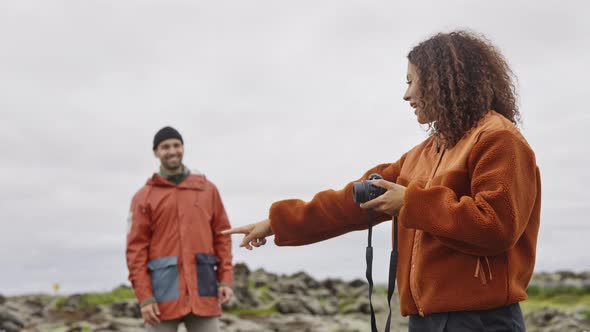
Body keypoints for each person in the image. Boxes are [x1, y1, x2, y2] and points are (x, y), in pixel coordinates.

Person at [223, 31, 541, 331]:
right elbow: (348, 204)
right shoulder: (421, 155)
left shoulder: (498, 139)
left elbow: (497, 225)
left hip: (481, 321)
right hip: (425, 320)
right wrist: (276, 222)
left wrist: (410, 203)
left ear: (442, 81)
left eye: (412, 81)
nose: (406, 95)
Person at [126, 126, 234, 332]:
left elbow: (223, 237)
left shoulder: (207, 189)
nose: (172, 151)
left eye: (177, 145)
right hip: (161, 297)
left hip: (204, 292)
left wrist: (225, 280)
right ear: (156, 152)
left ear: (183, 148)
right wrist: (145, 298)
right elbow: (136, 251)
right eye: (165, 147)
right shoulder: (143, 197)